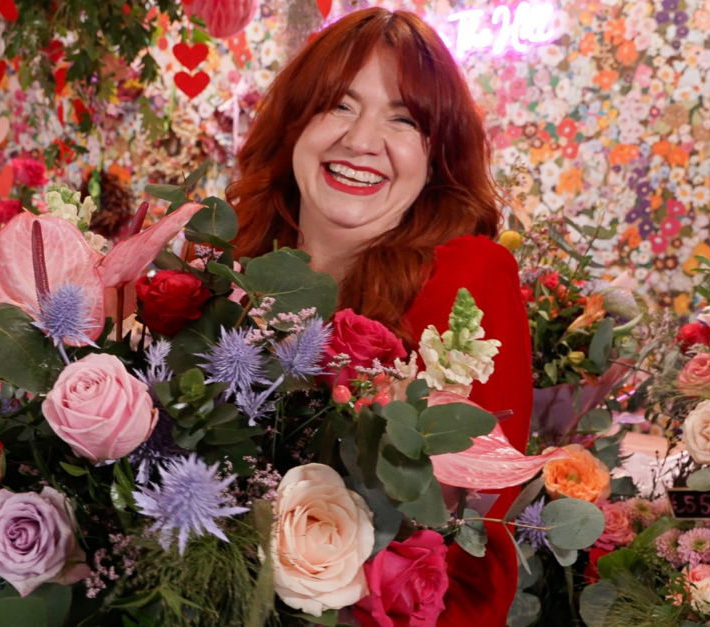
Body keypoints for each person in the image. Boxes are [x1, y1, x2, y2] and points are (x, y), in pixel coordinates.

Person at [228, 8, 534, 626]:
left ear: (437, 155)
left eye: (403, 119)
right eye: (338, 106)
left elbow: (474, 563)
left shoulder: (467, 277)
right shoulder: (227, 268)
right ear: (294, 124)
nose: (362, 141)